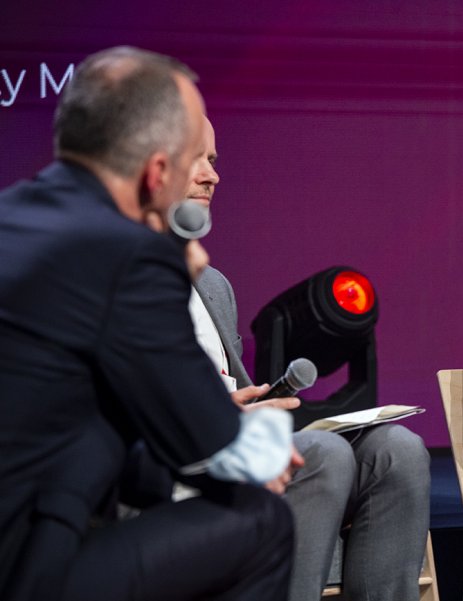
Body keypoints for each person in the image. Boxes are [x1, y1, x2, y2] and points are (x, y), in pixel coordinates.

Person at [0, 47, 296, 601]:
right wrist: (261, 447)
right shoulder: (130, 253)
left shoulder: (13, 216)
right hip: (26, 568)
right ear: (159, 172)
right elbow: (220, 455)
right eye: (192, 159)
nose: (208, 176)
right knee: (262, 521)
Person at [186, 116, 432, 601]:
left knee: (398, 450)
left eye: (213, 160)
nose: (212, 175)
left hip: (235, 447)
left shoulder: (213, 286)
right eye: (195, 158)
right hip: (183, 461)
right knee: (324, 454)